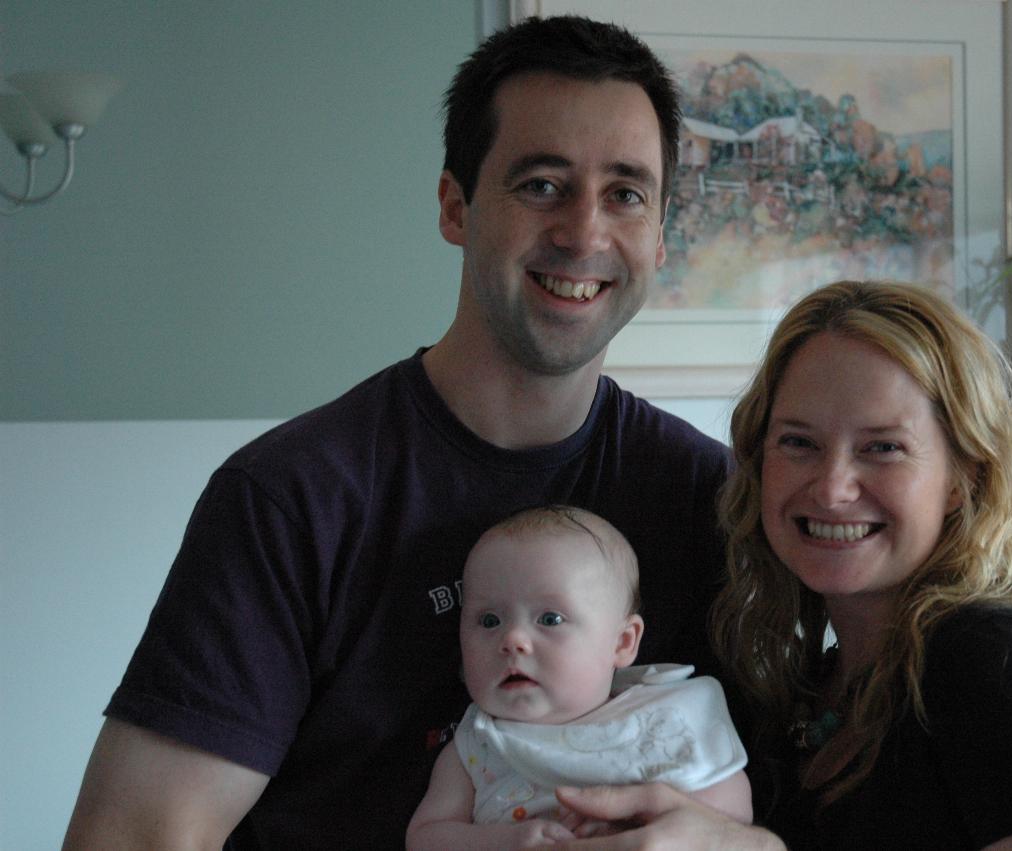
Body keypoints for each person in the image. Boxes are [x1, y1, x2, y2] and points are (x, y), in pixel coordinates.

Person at [62, 16, 734, 850]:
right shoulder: (296, 496)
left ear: (662, 235)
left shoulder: (714, 499)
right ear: (455, 206)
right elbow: (138, 835)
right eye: (541, 184)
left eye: (626, 194)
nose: (585, 232)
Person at [549, 280, 1012, 850]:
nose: (832, 487)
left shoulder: (1007, 664)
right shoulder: (809, 691)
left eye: (882, 448)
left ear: (962, 475)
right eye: (799, 442)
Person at [405, 505, 752, 849]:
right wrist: (502, 842)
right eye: (490, 621)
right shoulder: (478, 743)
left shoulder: (665, 717)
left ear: (622, 642)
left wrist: (641, 824)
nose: (512, 640)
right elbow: (426, 836)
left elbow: (734, 817)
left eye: (550, 619)